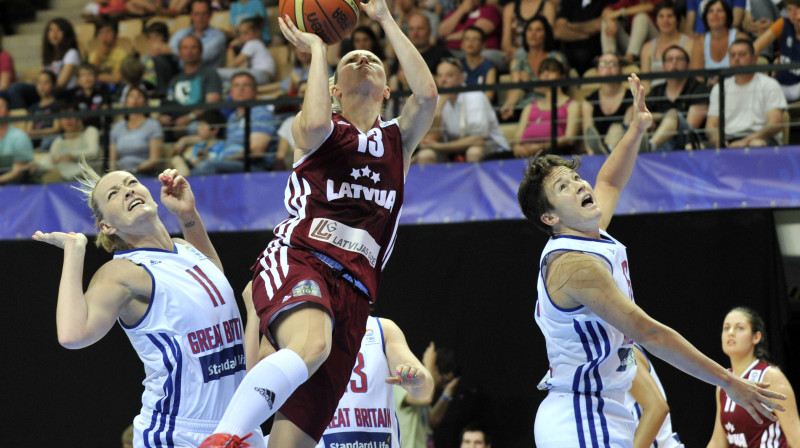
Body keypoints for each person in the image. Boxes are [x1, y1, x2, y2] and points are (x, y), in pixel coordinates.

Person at [198, 0, 438, 444]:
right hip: (301, 258)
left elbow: (427, 97)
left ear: (387, 90)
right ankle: (223, 439)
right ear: (332, 90)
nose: (363, 59)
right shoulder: (320, 131)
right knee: (311, 344)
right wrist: (318, 48)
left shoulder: (397, 142)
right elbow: (311, 122)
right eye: (351, 59)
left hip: (357, 293)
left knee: (297, 437)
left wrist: (385, 19)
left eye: (372, 61)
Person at [518, 73, 786, 448]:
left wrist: (637, 127)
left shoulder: (587, 233)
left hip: (608, 406)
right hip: (580, 412)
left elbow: (609, 183)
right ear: (550, 218)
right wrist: (727, 381)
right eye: (564, 186)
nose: (581, 184)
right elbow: (650, 333)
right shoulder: (574, 267)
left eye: (576, 177)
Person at [32, 164, 266, 448]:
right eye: (114, 194)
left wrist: (187, 214)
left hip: (238, 424)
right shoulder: (124, 271)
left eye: (131, 182)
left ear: (150, 195)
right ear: (107, 226)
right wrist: (74, 251)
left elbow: (213, 279)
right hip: (178, 433)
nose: (128, 190)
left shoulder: (185, 247)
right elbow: (72, 335)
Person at [313, 317, 435, 448]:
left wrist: (418, 384)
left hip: (379, 441)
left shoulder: (382, 329)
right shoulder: (306, 327)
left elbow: (425, 391)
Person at [706, 307, 800, 447]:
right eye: (726, 328)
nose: (730, 333)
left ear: (756, 337)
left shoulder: (770, 377)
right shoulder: (723, 382)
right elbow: (718, 441)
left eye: (739, 328)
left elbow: (796, 438)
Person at [417, 58, 510, 164]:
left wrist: (439, 146)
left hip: (491, 148)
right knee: (426, 155)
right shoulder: (436, 100)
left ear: (461, 78)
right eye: (440, 76)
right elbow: (430, 139)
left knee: (473, 152)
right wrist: (439, 109)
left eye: (449, 75)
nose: (443, 80)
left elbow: (478, 140)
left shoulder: (476, 96)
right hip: (451, 150)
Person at [706, 39, 787, 148]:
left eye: (742, 55)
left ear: (754, 59)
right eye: (732, 55)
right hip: (727, 139)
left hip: (760, 137)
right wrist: (719, 141)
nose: (736, 59)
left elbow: (775, 124)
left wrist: (746, 141)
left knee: (755, 145)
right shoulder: (719, 88)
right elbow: (711, 126)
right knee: (691, 147)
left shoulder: (769, 84)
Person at [193, 72, 277, 174]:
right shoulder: (232, 117)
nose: (240, 89)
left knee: (206, 167)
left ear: (255, 91)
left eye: (246, 85)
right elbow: (212, 137)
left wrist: (223, 160)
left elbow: (255, 151)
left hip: (251, 167)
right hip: (228, 164)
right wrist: (185, 140)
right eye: (236, 85)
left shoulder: (261, 113)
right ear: (231, 93)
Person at [639, 45, 709, 151]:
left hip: (689, 141)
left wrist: (659, 118)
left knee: (673, 115)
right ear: (663, 67)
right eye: (670, 60)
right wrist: (659, 118)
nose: (674, 62)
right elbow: (641, 116)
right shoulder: (656, 91)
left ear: (688, 66)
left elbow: (691, 125)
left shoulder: (699, 89)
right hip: (661, 141)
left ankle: (650, 147)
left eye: (679, 59)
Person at [0, 18, 80, 109]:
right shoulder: (48, 53)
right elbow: (42, 74)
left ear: (67, 33)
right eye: (51, 30)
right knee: (3, 94)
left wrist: (41, 85)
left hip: (61, 92)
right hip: (45, 87)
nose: (54, 34)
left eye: (59, 30)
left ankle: (21, 119)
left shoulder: (71, 53)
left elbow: (61, 83)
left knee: (16, 88)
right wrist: (38, 82)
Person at [500, 16, 567, 121]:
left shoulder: (557, 58)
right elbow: (516, 89)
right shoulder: (518, 61)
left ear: (546, 35)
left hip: (550, 105)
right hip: (524, 107)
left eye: (538, 30)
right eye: (529, 30)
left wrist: (530, 83)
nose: (533, 34)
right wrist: (509, 105)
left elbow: (560, 89)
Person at [395, 342, 461, 448]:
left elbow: (432, 420)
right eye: (444, 380)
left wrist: (447, 394)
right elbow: (426, 397)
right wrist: (428, 365)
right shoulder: (404, 382)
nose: (443, 386)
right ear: (435, 368)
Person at [513, 57, 581, 157]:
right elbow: (517, 137)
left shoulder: (571, 104)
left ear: (562, 76)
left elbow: (569, 138)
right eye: (542, 71)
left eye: (551, 70)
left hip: (554, 151)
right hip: (526, 153)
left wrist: (541, 146)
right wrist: (517, 148)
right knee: (492, 158)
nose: (545, 74)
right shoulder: (530, 106)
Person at [160, 34, 223, 137]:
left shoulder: (210, 74)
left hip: (197, 122)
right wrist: (162, 117)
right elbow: (167, 105)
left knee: (194, 128)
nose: (189, 51)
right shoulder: (175, 80)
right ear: (179, 53)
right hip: (175, 123)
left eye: (193, 47)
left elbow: (212, 104)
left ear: (201, 52)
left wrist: (189, 118)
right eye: (185, 48)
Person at [582, 53, 635, 154]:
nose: (608, 67)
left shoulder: (631, 96)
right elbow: (588, 133)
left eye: (612, 64)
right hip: (596, 155)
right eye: (603, 64)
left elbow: (628, 130)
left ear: (620, 70)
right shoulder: (589, 102)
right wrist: (593, 156)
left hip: (622, 152)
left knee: (616, 128)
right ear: (597, 71)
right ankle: (602, 152)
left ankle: (606, 150)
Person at [689, 0, 748, 84]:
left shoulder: (739, 37)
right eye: (711, 11)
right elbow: (698, 78)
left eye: (720, 11)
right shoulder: (700, 42)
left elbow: (745, 71)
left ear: (727, 15)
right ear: (706, 17)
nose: (715, 14)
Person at [639, 2, 694, 89]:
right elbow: (645, 82)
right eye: (661, 16)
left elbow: (694, 76)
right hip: (655, 97)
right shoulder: (647, 47)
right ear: (656, 20)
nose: (665, 20)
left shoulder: (690, 43)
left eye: (670, 16)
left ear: (677, 19)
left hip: (684, 94)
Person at [110, 87, 165, 173]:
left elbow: (155, 159)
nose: (135, 99)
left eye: (139, 96)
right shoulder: (117, 128)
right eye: (131, 96)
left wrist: (134, 171)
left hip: (145, 174)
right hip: (121, 175)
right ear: (126, 102)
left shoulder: (153, 125)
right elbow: (112, 161)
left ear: (145, 102)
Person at [754, 0, 800, 101]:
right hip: (780, 84)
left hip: (798, 86)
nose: (793, 13)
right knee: (759, 90)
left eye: (797, 9)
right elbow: (755, 47)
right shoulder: (783, 23)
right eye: (789, 9)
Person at [46, 103, 101, 182]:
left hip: (89, 180)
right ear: (60, 122)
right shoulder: (58, 142)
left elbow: (93, 152)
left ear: (79, 118)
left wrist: (71, 155)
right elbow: (50, 164)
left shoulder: (90, 131)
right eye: (64, 117)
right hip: (64, 182)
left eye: (71, 115)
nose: (68, 120)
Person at [553, 0, 613, 74]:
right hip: (568, 50)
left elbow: (600, 25)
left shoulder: (606, 1)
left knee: (581, 56)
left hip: (595, 50)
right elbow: (558, 31)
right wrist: (586, 33)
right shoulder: (569, 2)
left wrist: (569, 26)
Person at [169, 0, 228, 70]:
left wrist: (171, 51)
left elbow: (198, 57)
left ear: (210, 15)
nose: (200, 17)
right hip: (181, 74)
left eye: (204, 14)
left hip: (206, 76)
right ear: (191, 15)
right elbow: (169, 48)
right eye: (196, 14)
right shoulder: (182, 33)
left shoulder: (218, 36)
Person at [169, 109, 227, 177]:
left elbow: (220, 163)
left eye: (202, 126)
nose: (199, 128)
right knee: (176, 159)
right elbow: (192, 162)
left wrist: (207, 157)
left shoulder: (222, 146)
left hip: (207, 176)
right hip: (192, 173)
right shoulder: (199, 145)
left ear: (215, 130)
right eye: (199, 125)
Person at [221, 17, 276, 88]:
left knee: (217, 73)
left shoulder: (253, 43)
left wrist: (230, 47)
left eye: (245, 33)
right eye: (240, 33)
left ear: (257, 33)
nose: (242, 36)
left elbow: (231, 66)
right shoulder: (256, 44)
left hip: (261, 74)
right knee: (226, 85)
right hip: (261, 76)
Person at [600, 0, 658, 65]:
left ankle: (629, 58)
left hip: (655, 44)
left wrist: (620, 12)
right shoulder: (631, 1)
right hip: (634, 45)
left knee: (641, 17)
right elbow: (606, 10)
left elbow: (651, 7)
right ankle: (609, 59)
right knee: (606, 22)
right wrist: (609, 20)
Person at [0, 96, 34, 185]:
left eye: (0, 107)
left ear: (8, 113)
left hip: (13, 183)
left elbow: (17, 173)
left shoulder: (19, 136)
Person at [460, 26, 497, 103]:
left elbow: (489, 96)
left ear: (483, 45)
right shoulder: (457, 65)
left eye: (475, 40)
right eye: (467, 39)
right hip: (460, 107)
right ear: (462, 44)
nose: (470, 43)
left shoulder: (489, 67)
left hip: (481, 108)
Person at [68, 63, 111, 130]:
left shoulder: (103, 90)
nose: (87, 78)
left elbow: (105, 109)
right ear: (78, 80)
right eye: (83, 75)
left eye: (90, 74)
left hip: (99, 128)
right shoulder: (75, 95)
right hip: (81, 130)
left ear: (96, 77)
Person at [26, 70, 61, 152]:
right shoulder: (33, 108)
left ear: (54, 85)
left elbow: (56, 129)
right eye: (39, 83)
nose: (42, 86)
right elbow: (28, 130)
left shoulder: (58, 105)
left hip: (51, 141)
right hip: (35, 141)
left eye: (46, 83)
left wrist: (36, 132)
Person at [88, 17, 130, 86]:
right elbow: (89, 74)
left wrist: (94, 77)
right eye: (101, 32)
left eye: (108, 32)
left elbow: (116, 79)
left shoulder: (122, 55)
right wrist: (99, 56)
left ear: (115, 34)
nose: (104, 36)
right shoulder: (94, 54)